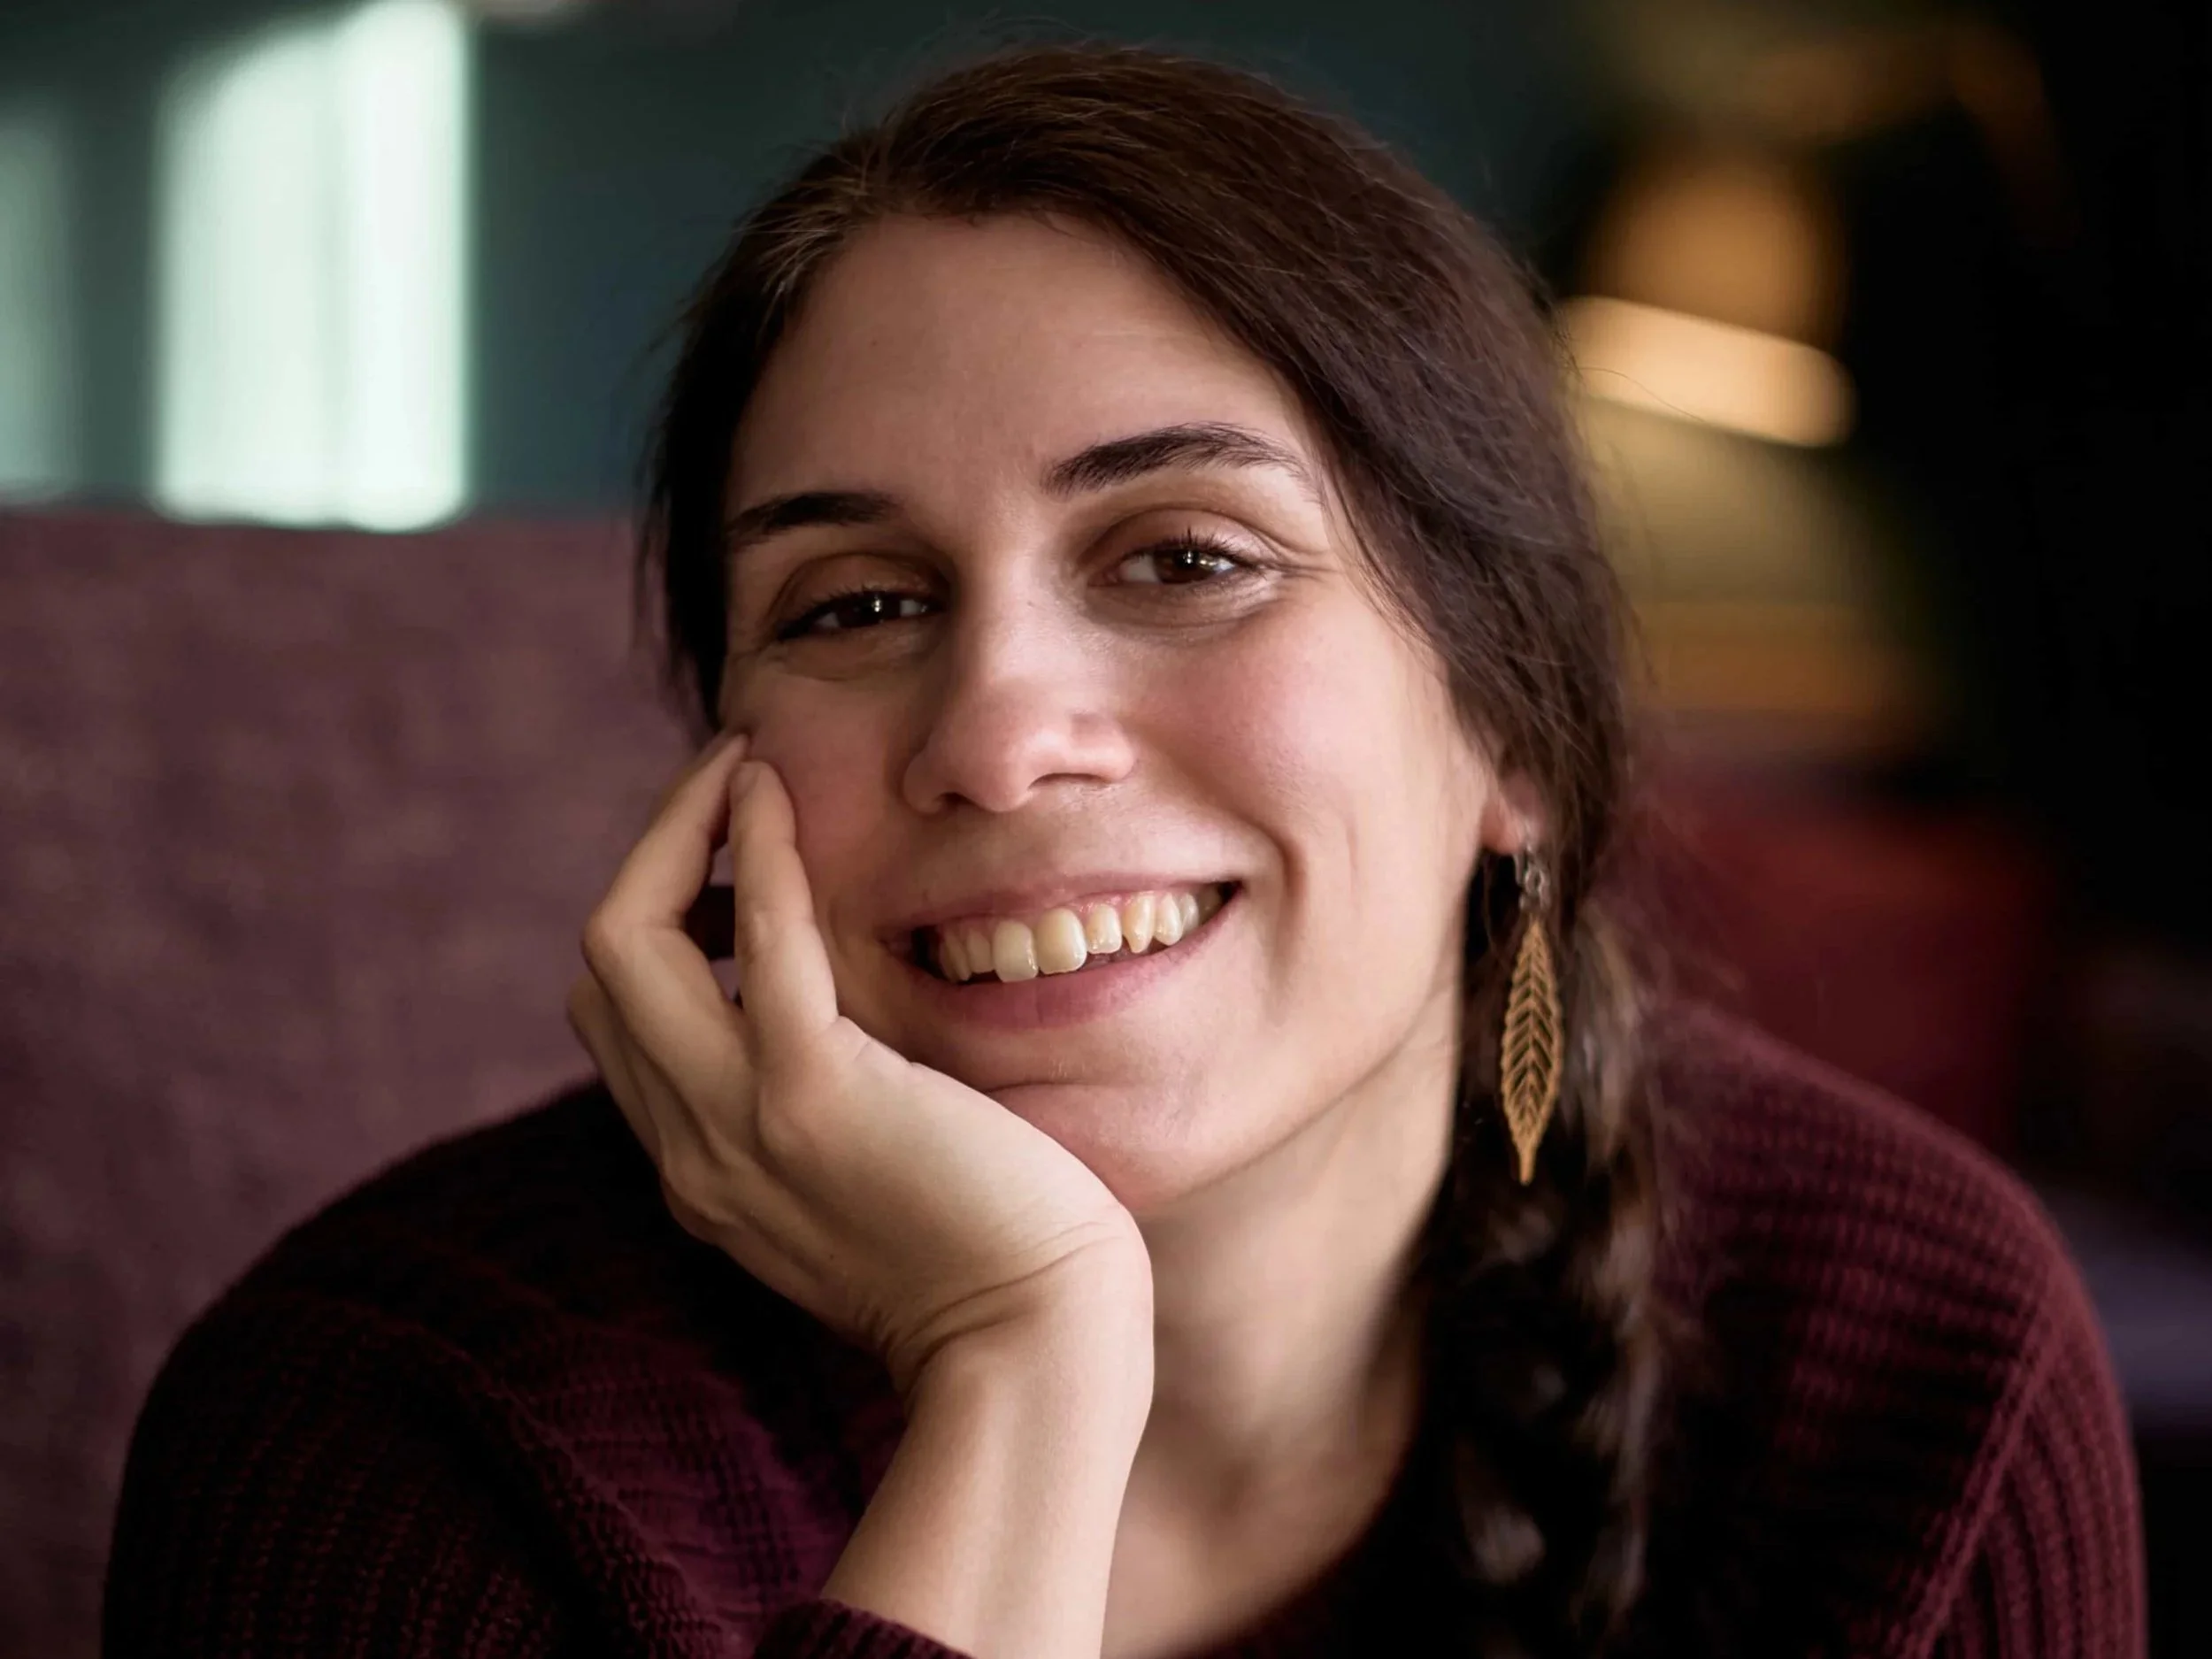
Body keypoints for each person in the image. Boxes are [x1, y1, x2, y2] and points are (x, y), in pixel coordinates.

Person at [105, 43, 2144, 1659]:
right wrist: (1019, 1365)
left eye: (1183, 558)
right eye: (854, 604)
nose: (997, 737)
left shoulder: (1903, 1367)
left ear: (1512, 726)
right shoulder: (385, 1434)